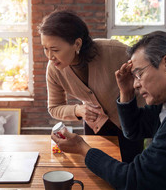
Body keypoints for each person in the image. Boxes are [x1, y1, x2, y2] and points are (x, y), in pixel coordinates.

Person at [51, 31, 166, 190]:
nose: (136, 84)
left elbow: (134, 181)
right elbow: (135, 131)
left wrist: (83, 149)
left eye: (139, 74)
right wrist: (125, 92)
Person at [38, 9, 145, 163]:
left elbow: (147, 71)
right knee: (97, 172)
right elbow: (54, 107)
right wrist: (78, 110)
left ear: (77, 44)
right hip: (96, 126)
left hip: (130, 124)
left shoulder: (115, 51)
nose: (49, 56)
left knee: (130, 173)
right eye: (45, 48)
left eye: (55, 50)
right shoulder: (54, 69)